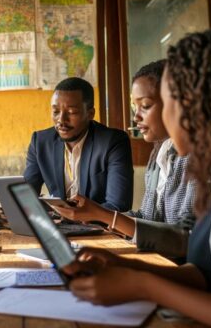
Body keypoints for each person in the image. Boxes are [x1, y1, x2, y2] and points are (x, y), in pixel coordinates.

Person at [60, 26, 211, 328]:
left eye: (163, 99)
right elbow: (205, 273)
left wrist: (145, 286)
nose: (141, 115)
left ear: (201, 105)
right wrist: (124, 265)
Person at [52, 60, 196, 258]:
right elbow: (147, 218)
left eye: (145, 106)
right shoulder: (159, 152)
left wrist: (104, 215)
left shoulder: (196, 159)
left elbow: (187, 239)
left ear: (177, 104)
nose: (136, 117)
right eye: (134, 107)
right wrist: (94, 217)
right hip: (158, 262)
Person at [24, 77, 133, 212]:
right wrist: (9, 211)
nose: (61, 120)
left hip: (100, 230)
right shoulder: (40, 142)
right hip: (57, 228)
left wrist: (74, 215)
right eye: (56, 111)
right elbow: (26, 198)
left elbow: (118, 205)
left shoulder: (113, 142)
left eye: (72, 112)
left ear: (90, 114)